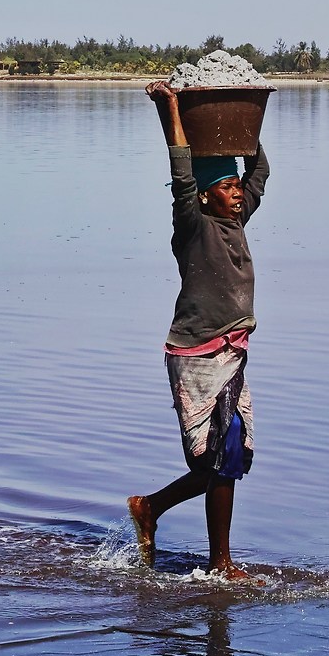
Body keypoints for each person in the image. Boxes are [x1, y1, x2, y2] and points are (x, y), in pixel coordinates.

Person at [128, 82, 268, 578]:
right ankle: (219, 561)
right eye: (227, 188)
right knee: (215, 460)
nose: (238, 194)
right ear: (206, 196)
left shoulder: (236, 223)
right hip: (197, 355)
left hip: (233, 352)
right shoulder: (194, 227)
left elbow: (259, 171)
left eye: (237, 188)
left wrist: (244, 121)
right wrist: (170, 108)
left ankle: (153, 509)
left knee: (229, 457)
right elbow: (182, 175)